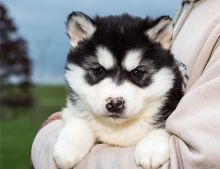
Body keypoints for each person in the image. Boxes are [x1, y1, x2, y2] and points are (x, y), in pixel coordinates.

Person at [31, 0, 220, 168]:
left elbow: (193, 159)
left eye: (137, 73)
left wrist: (44, 141)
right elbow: (74, 118)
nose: (114, 97)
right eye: (98, 71)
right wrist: (76, 132)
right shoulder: (189, 8)